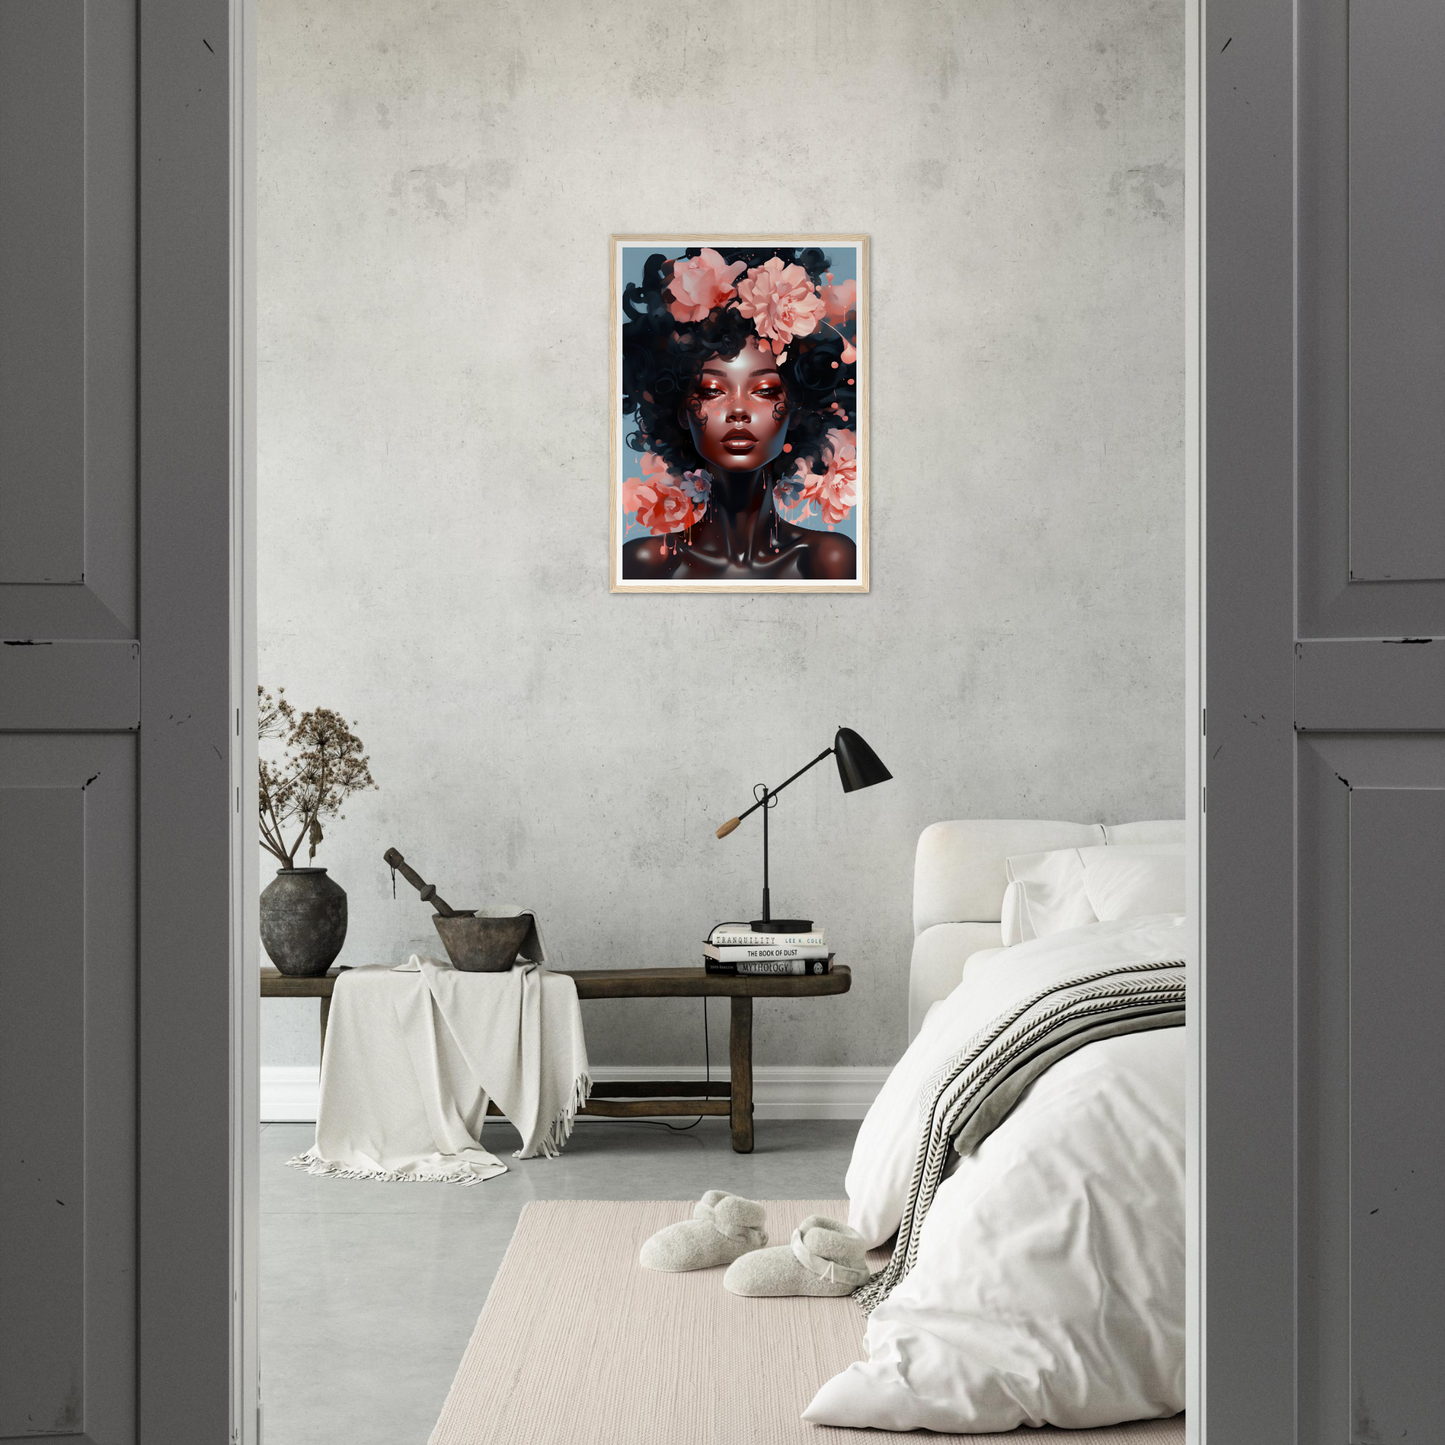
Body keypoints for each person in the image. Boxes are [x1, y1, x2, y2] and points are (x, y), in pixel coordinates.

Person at [620, 246, 859, 582]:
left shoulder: (829, 561)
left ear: (796, 411)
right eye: (712, 392)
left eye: (763, 391)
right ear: (680, 412)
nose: (738, 411)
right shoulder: (646, 565)